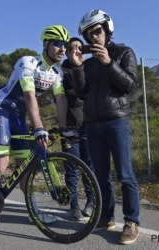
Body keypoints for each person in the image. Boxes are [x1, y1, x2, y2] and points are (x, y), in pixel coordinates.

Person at [0, 25, 70, 225]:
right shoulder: (28, 62)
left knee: (24, 169)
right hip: (2, 112)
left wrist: (63, 129)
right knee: (0, 165)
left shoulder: (57, 73)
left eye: (65, 45)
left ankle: (33, 212)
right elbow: (29, 95)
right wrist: (39, 127)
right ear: (45, 44)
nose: (63, 49)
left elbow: (60, 101)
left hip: (18, 118)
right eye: (58, 44)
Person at [68, 9, 140, 245]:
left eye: (97, 31)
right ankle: (106, 217)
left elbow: (129, 85)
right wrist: (77, 67)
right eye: (89, 34)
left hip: (117, 121)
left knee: (125, 175)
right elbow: (81, 92)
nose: (93, 37)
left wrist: (109, 63)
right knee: (101, 175)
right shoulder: (88, 64)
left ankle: (131, 221)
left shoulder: (123, 52)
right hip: (92, 124)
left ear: (107, 30)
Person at [59, 37, 95, 220]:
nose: (75, 50)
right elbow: (65, 97)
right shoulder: (61, 70)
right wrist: (62, 127)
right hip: (70, 127)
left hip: (88, 125)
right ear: (65, 51)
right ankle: (73, 205)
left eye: (78, 47)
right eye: (71, 48)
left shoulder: (88, 67)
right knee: (72, 169)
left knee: (90, 167)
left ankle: (91, 202)